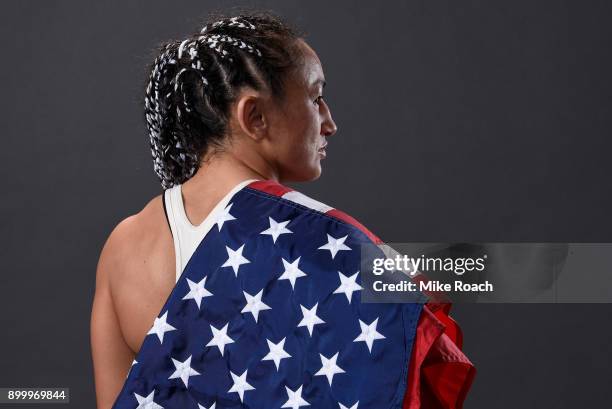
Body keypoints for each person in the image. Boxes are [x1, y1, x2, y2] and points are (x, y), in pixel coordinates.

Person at [90, 12, 475, 409]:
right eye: (315, 96)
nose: (329, 123)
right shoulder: (321, 240)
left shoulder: (124, 244)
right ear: (254, 116)